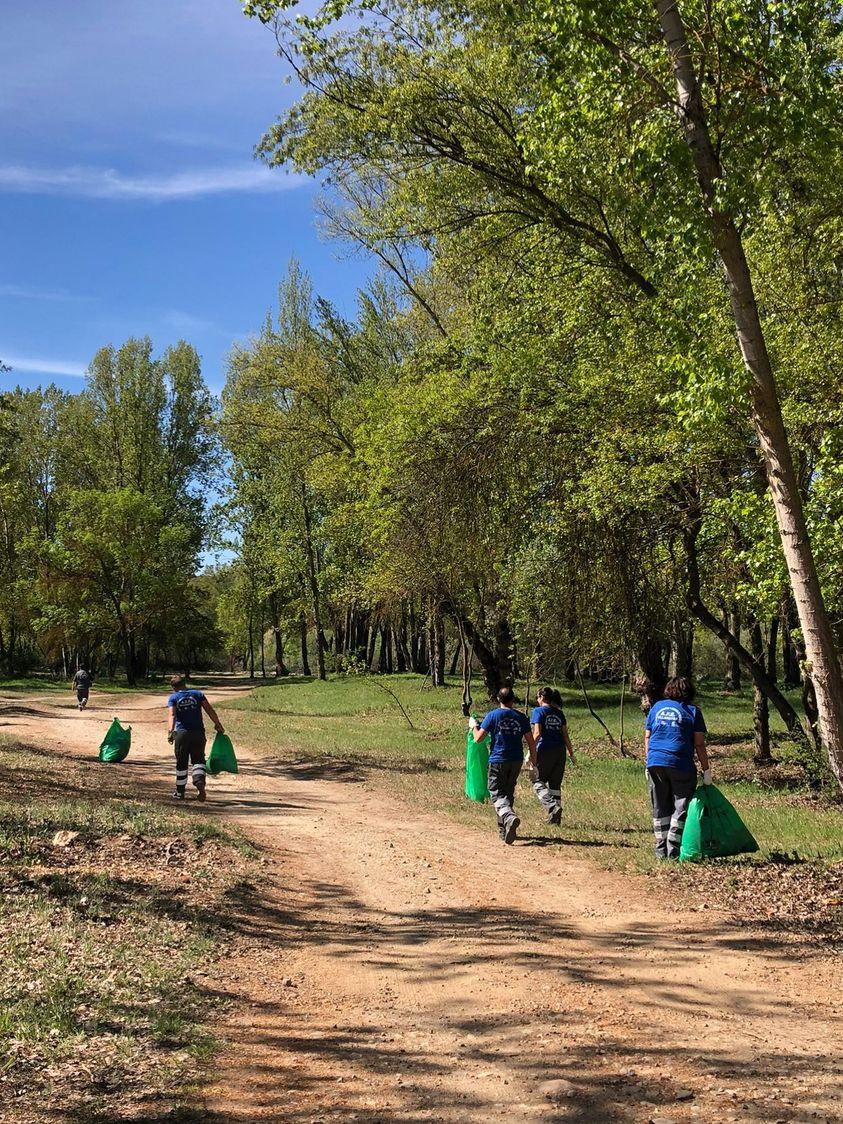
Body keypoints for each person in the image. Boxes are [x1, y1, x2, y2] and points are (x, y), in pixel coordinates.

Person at [644, 675, 711, 859]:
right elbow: (699, 744)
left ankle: (660, 850)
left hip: (655, 762)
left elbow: (648, 736)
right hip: (680, 763)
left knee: (660, 806)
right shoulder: (693, 711)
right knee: (681, 805)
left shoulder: (656, 707)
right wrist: (706, 770)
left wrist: (647, 761)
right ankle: (673, 849)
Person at [469, 686, 536, 844]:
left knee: (496, 793)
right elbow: (531, 742)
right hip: (516, 760)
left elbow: (478, 738)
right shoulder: (521, 717)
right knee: (507, 793)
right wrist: (534, 763)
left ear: (498, 699)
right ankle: (504, 829)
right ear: (513, 700)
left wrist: (474, 726)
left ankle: (509, 817)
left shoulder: (493, 715)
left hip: (498, 759)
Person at [166, 675, 225, 802]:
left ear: (174, 687)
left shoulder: (174, 697)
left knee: (181, 762)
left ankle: (180, 792)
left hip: (182, 734)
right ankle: (199, 783)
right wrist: (217, 724)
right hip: (198, 733)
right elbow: (209, 710)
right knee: (198, 760)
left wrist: (171, 731)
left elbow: (172, 715)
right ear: (185, 684)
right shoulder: (198, 694)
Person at [530, 687, 575, 826]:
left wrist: (530, 751)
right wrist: (571, 753)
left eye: (537, 697)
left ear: (542, 697)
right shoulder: (559, 713)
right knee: (555, 785)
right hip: (560, 752)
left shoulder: (538, 711)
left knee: (537, 781)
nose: (537, 700)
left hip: (544, 750)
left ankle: (552, 807)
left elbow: (537, 733)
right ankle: (555, 820)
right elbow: (565, 735)